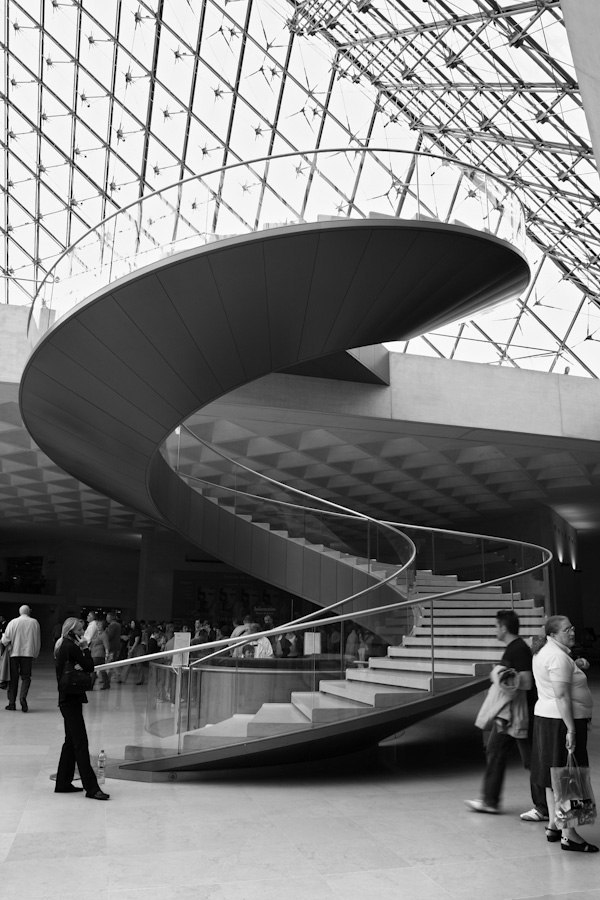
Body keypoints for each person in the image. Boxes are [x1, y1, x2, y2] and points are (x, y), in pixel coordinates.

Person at [465, 609, 548, 818]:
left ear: (503, 627)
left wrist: (500, 675)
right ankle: (490, 801)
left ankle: (544, 807)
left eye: (496, 626)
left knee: (532, 760)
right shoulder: (513, 648)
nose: (495, 630)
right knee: (495, 749)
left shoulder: (518, 649)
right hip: (509, 714)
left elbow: (527, 682)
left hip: (522, 714)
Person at [530, 615, 597, 852]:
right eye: (567, 629)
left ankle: (554, 825)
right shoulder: (557, 657)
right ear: (553, 634)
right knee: (570, 776)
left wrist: (575, 664)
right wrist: (571, 729)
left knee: (554, 774)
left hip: (548, 719)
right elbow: (561, 695)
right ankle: (570, 834)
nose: (572, 632)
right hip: (561, 721)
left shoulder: (547, 652)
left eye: (572, 627)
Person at [54, 616, 110, 800]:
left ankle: (63, 782)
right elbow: (89, 666)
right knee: (80, 743)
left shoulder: (63, 645)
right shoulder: (71, 646)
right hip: (70, 700)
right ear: (71, 631)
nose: (82, 632)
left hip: (67, 698)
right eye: (79, 630)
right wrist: (85, 648)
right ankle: (92, 788)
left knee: (71, 742)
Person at [1, 604, 41, 712]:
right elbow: (37, 640)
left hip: (14, 653)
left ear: (19, 612)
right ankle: (23, 697)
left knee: (13, 679)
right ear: (29, 611)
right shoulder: (34, 622)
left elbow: (5, 640)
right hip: (28, 654)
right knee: (26, 677)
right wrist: (35, 653)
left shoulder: (13, 622)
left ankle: (11, 703)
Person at [89, 620, 110, 690]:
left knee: (94, 669)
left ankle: (91, 685)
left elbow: (106, 645)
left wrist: (107, 654)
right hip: (94, 653)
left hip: (99, 654)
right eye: (97, 624)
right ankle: (106, 683)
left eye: (100, 625)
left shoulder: (104, 635)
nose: (98, 626)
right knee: (101, 669)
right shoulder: (96, 634)